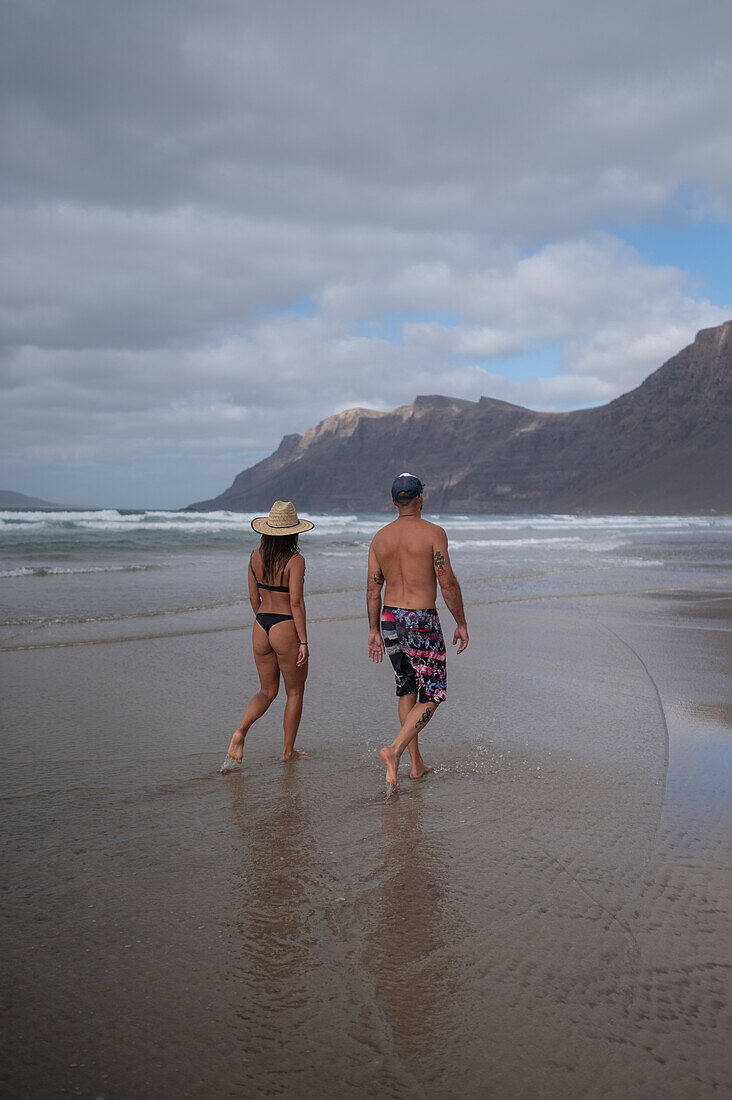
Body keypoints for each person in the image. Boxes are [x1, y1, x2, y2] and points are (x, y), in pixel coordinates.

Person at [367, 473, 469, 790]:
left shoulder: (379, 538)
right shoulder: (433, 533)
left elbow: (373, 590)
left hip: (388, 618)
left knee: (407, 688)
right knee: (433, 694)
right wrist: (461, 622)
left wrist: (373, 629)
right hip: (420, 620)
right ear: (420, 498)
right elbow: (446, 580)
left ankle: (415, 764)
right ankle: (395, 751)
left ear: (394, 501)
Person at [223, 500, 314, 768]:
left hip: (261, 625)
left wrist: (262, 619)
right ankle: (288, 752)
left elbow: (253, 596)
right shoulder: (295, 560)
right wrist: (304, 641)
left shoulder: (254, 556)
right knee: (295, 691)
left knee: (266, 690)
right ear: (293, 532)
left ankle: (240, 732)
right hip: (285, 626)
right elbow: (296, 602)